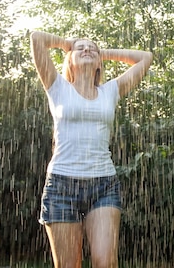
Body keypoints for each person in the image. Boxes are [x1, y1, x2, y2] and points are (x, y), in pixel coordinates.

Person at [30, 30, 152, 268]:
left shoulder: (111, 91)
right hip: (61, 186)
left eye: (91, 48)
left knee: (105, 263)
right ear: (69, 60)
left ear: (99, 63)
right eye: (81, 48)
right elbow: (37, 38)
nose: (86, 50)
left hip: (103, 185)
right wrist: (69, 44)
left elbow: (145, 57)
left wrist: (102, 53)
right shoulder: (56, 86)